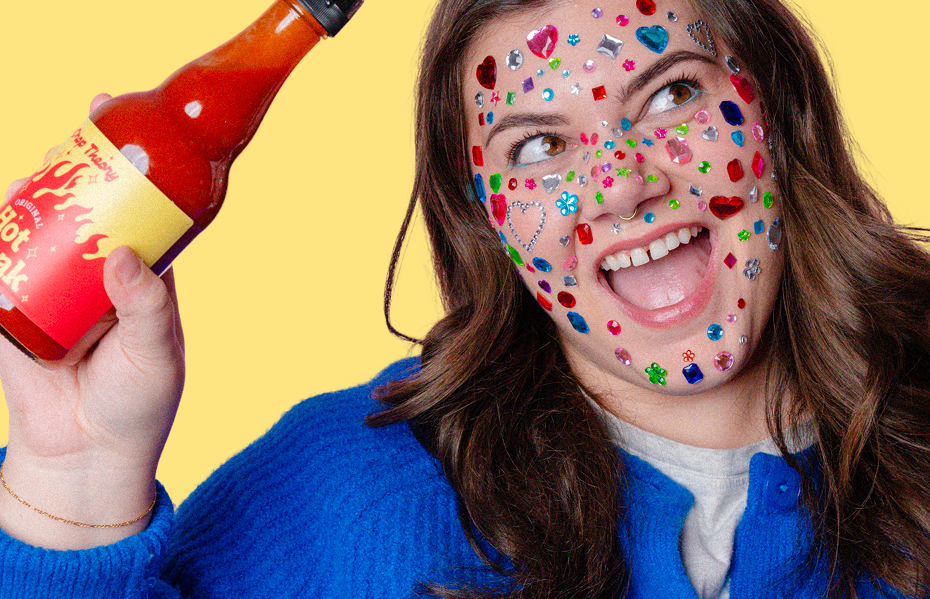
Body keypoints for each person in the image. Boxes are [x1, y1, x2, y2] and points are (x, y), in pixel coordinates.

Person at [0, 0, 928, 597]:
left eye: (669, 95)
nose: (619, 185)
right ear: (484, 212)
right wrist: (72, 479)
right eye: (538, 146)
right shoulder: (349, 489)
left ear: (777, 109)